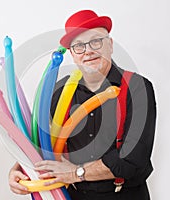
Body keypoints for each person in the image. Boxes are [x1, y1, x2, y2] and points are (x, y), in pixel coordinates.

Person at [9, 10, 157, 200]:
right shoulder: (60, 90)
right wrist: (18, 169)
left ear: (110, 45)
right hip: (74, 196)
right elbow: (41, 140)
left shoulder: (137, 88)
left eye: (96, 41)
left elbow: (132, 160)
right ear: (72, 53)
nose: (88, 51)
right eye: (79, 46)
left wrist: (74, 173)